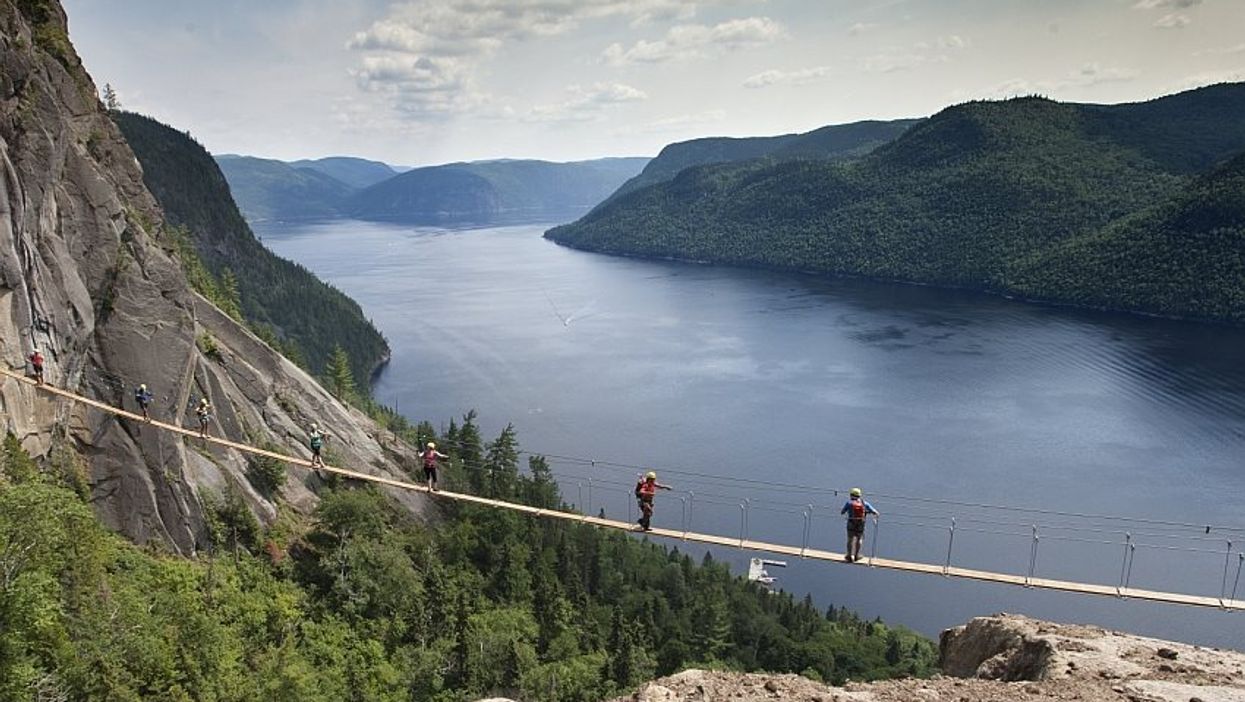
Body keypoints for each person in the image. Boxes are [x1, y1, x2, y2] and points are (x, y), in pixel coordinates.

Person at [840, 487, 879, 563]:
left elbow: (842, 512)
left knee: (850, 540)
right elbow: (875, 512)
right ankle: (856, 556)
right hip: (861, 524)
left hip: (851, 523)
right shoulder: (864, 503)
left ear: (851, 495)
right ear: (859, 495)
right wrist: (869, 512)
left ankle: (849, 556)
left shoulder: (849, 503)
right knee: (859, 539)